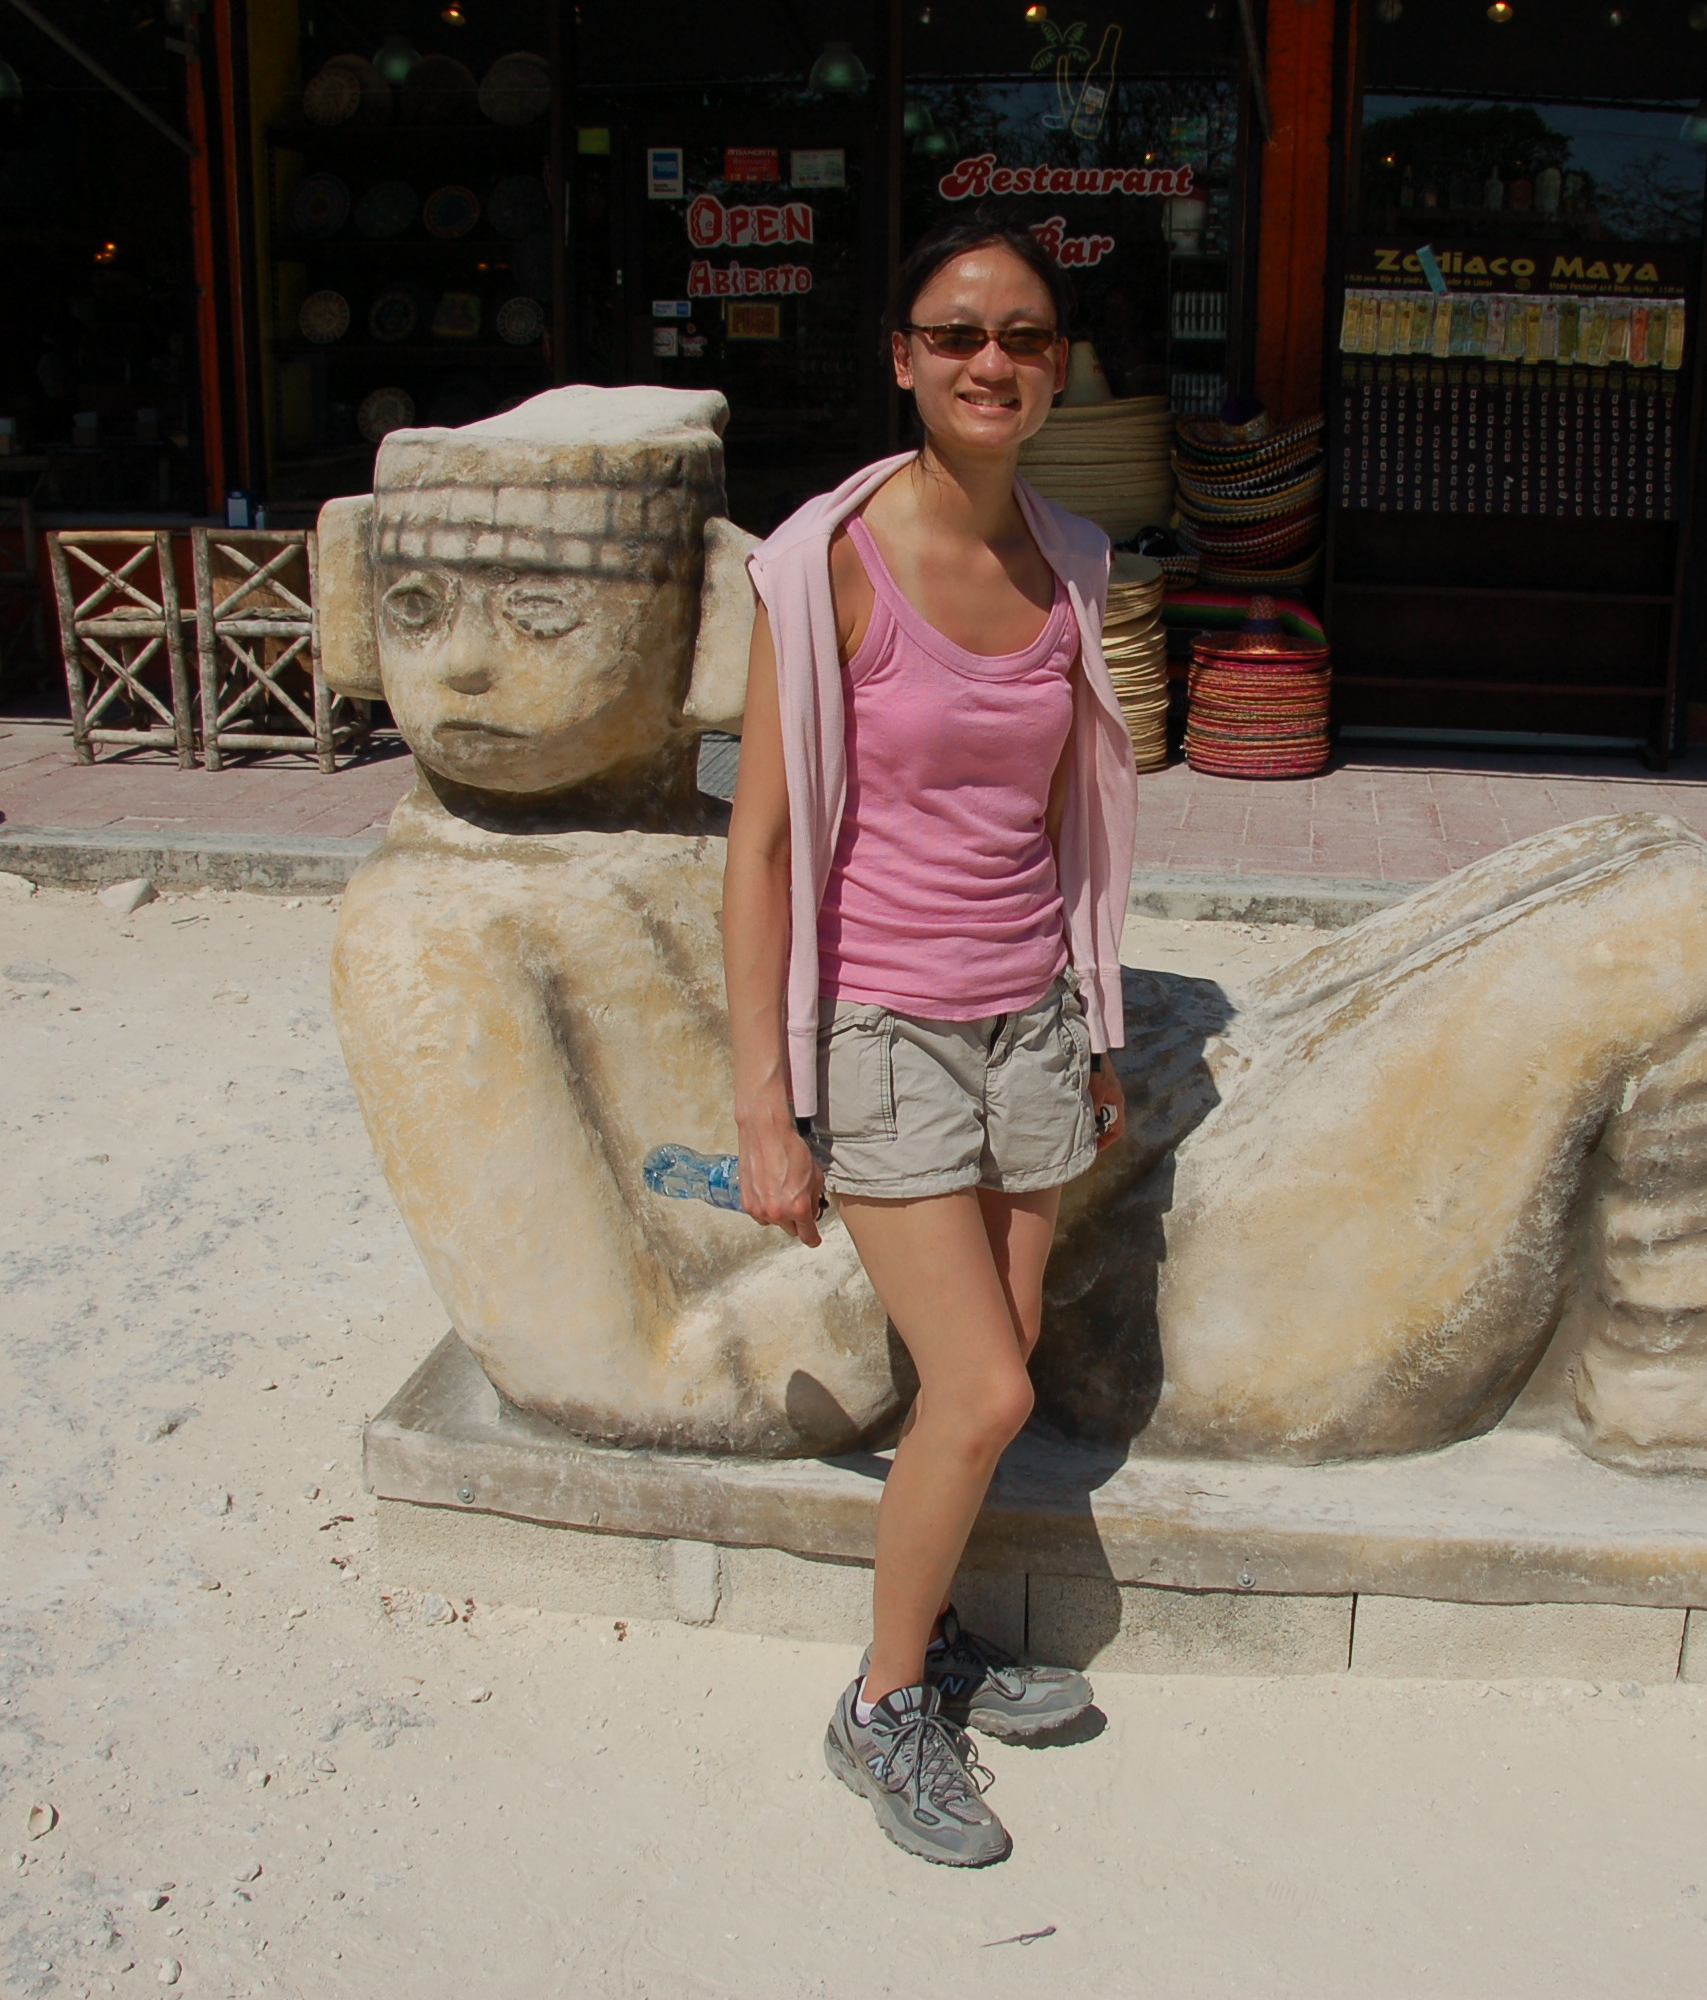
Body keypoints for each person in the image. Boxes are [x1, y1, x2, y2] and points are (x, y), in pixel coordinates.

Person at [720, 216, 1136, 1868]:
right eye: (956, 333)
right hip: (885, 1028)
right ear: (901, 358)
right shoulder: (822, 561)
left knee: (984, 1372)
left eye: (1023, 335)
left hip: (1031, 1020)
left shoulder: (1073, 561)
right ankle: (883, 1705)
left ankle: (929, 1633)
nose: (990, 361)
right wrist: (766, 1107)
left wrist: (1095, 1026)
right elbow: (759, 845)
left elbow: (1067, 821)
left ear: (1058, 365)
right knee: (981, 1384)